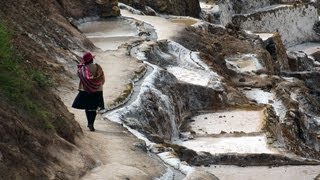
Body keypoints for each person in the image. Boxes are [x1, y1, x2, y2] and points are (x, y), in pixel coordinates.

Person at [72, 52, 105, 131]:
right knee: (93, 108)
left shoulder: (82, 69)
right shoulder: (98, 67)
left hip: (86, 90)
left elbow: (80, 76)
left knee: (88, 107)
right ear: (92, 59)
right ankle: (91, 124)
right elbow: (102, 80)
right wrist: (97, 85)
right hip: (97, 91)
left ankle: (89, 123)